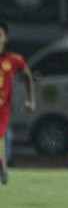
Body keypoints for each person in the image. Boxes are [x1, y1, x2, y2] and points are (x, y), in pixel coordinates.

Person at [0, 22, 36, 185]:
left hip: (3, 109)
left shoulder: (14, 60)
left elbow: (27, 76)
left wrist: (31, 100)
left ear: (5, 38)